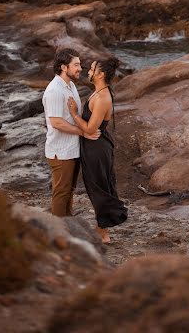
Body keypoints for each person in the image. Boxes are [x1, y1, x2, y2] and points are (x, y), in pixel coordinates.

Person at [67, 57, 128, 243]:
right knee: (98, 186)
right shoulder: (99, 92)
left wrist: (74, 114)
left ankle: (104, 232)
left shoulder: (102, 98)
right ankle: (102, 227)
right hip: (94, 146)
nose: (88, 71)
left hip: (97, 148)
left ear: (100, 74)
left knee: (99, 187)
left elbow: (91, 129)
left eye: (92, 69)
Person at [42, 48, 99, 217]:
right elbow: (56, 122)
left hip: (72, 149)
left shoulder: (71, 85)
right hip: (60, 151)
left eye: (80, 64)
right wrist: (83, 133)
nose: (80, 68)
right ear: (63, 67)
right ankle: (58, 233)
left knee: (69, 190)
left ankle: (68, 227)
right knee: (61, 192)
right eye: (76, 65)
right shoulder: (54, 90)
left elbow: (73, 117)